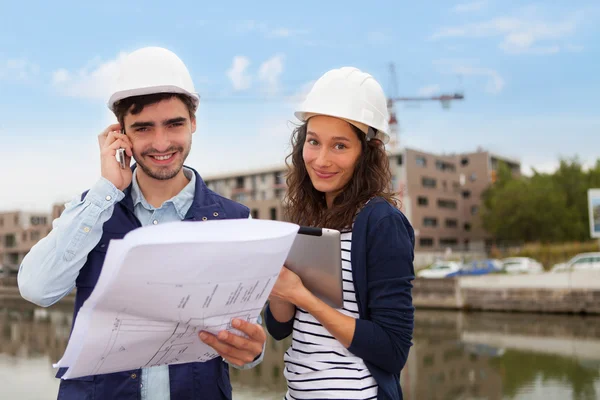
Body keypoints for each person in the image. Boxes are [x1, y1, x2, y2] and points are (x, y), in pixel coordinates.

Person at [18, 46, 266, 399]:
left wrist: (252, 352)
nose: (161, 143)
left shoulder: (234, 219)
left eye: (174, 124)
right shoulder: (93, 210)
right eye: (144, 128)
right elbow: (36, 289)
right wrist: (107, 192)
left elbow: (243, 334)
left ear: (193, 122)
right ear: (120, 134)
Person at [265, 67, 415, 400]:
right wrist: (278, 284)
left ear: (368, 152)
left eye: (340, 146)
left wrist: (303, 296)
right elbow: (279, 328)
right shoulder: (308, 217)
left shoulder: (381, 223)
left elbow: (393, 350)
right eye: (314, 141)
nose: (320, 159)